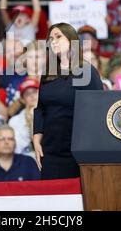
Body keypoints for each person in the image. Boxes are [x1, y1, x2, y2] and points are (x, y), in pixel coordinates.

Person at [33, 23, 103, 179]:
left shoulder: (87, 71)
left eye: (58, 37)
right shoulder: (48, 73)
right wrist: (36, 139)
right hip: (50, 151)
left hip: (78, 152)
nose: (53, 42)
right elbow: (40, 108)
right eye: (50, 39)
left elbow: (98, 109)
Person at [8, 77, 39, 158]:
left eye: (35, 92)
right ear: (22, 99)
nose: (32, 96)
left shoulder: (50, 114)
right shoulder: (14, 121)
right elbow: (16, 150)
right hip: (24, 162)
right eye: (28, 94)